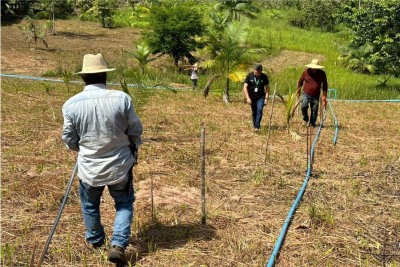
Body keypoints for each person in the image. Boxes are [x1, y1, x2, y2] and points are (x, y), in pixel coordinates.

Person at [61, 53, 143, 265]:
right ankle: (118, 245)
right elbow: (135, 129)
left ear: (83, 78)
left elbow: (69, 138)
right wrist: (132, 145)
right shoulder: (122, 99)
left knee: (90, 205)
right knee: (124, 203)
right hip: (120, 165)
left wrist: (82, 147)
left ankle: (97, 241)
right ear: (105, 75)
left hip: (89, 167)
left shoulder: (71, 105)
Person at [296, 59, 328, 127]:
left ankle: (312, 122)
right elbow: (300, 81)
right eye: (313, 67)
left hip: (316, 95)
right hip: (306, 93)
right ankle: (305, 119)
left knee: (314, 109)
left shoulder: (322, 73)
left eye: (315, 68)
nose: (313, 69)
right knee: (304, 106)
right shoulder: (306, 72)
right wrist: (298, 91)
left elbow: (325, 84)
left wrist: (324, 94)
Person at [243, 64, 270, 132]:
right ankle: (255, 125)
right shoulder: (249, 76)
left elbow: (267, 88)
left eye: (258, 73)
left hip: (260, 97)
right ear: (254, 70)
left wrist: (266, 98)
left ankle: (257, 126)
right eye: (255, 72)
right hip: (252, 97)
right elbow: (245, 87)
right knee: (254, 112)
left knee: (259, 110)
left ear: (261, 71)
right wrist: (247, 98)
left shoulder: (264, 77)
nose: (257, 74)